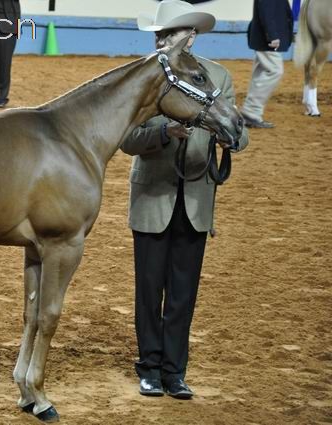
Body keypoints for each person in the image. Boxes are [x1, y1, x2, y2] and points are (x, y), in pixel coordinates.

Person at [123, 0, 249, 399]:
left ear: (190, 36)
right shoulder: (143, 77)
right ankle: (149, 368)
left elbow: (240, 135)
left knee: (182, 292)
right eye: (159, 33)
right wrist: (165, 133)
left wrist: (226, 136)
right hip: (153, 197)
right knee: (149, 290)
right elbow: (127, 139)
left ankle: (174, 371)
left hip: (195, 199)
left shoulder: (218, 77)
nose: (160, 39)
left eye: (169, 33)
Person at [240, 0, 293, 128]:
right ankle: (251, 112)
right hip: (267, 39)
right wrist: (272, 35)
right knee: (275, 71)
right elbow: (266, 11)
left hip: (265, 37)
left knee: (260, 72)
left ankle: (251, 112)